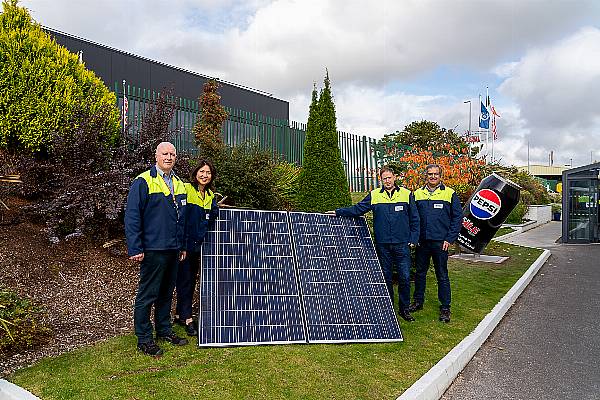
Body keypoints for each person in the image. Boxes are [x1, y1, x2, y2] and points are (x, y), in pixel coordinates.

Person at [125, 142, 189, 356]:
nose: (169, 157)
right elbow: (132, 216)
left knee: (166, 294)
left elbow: (182, 219)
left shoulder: (179, 183)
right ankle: (144, 338)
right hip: (153, 249)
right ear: (156, 156)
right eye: (165, 153)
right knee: (148, 294)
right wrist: (135, 247)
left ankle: (164, 330)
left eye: (172, 154)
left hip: (173, 249)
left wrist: (181, 245)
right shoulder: (143, 181)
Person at [333, 166, 419, 322]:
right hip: (383, 245)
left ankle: (404, 310)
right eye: (384, 178)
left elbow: (415, 219)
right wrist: (338, 212)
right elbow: (357, 209)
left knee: (405, 278)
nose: (387, 181)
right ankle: (388, 309)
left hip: (402, 245)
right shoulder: (374, 195)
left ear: (395, 178)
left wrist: (413, 240)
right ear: (381, 180)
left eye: (389, 177)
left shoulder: (407, 195)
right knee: (385, 278)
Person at [410, 164, 463, 323]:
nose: (433, 177)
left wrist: (449, 238)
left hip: (441, 243)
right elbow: (412, 218)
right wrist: (414, 238)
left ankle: (445, 307)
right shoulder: (417, 194)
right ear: (425, 175)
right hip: (422, 243)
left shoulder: (449, 194)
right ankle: (418, 302)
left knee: (442, 275)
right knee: (420, 273)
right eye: (430, 174)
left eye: (436, 174)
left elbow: (457, 218)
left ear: (441, 176)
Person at [174, 160, 219, 336]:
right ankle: (187, 318)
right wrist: (182, 245)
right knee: (185, 281)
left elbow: (213, 216)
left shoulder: (210, 196)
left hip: (197, 247)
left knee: (190, 280)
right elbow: (180, 218)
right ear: (195, 173)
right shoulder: (186, 189)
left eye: (208, 172)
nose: (204, 175)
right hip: (185, 246)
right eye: (202, 171)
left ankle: (179, 314)